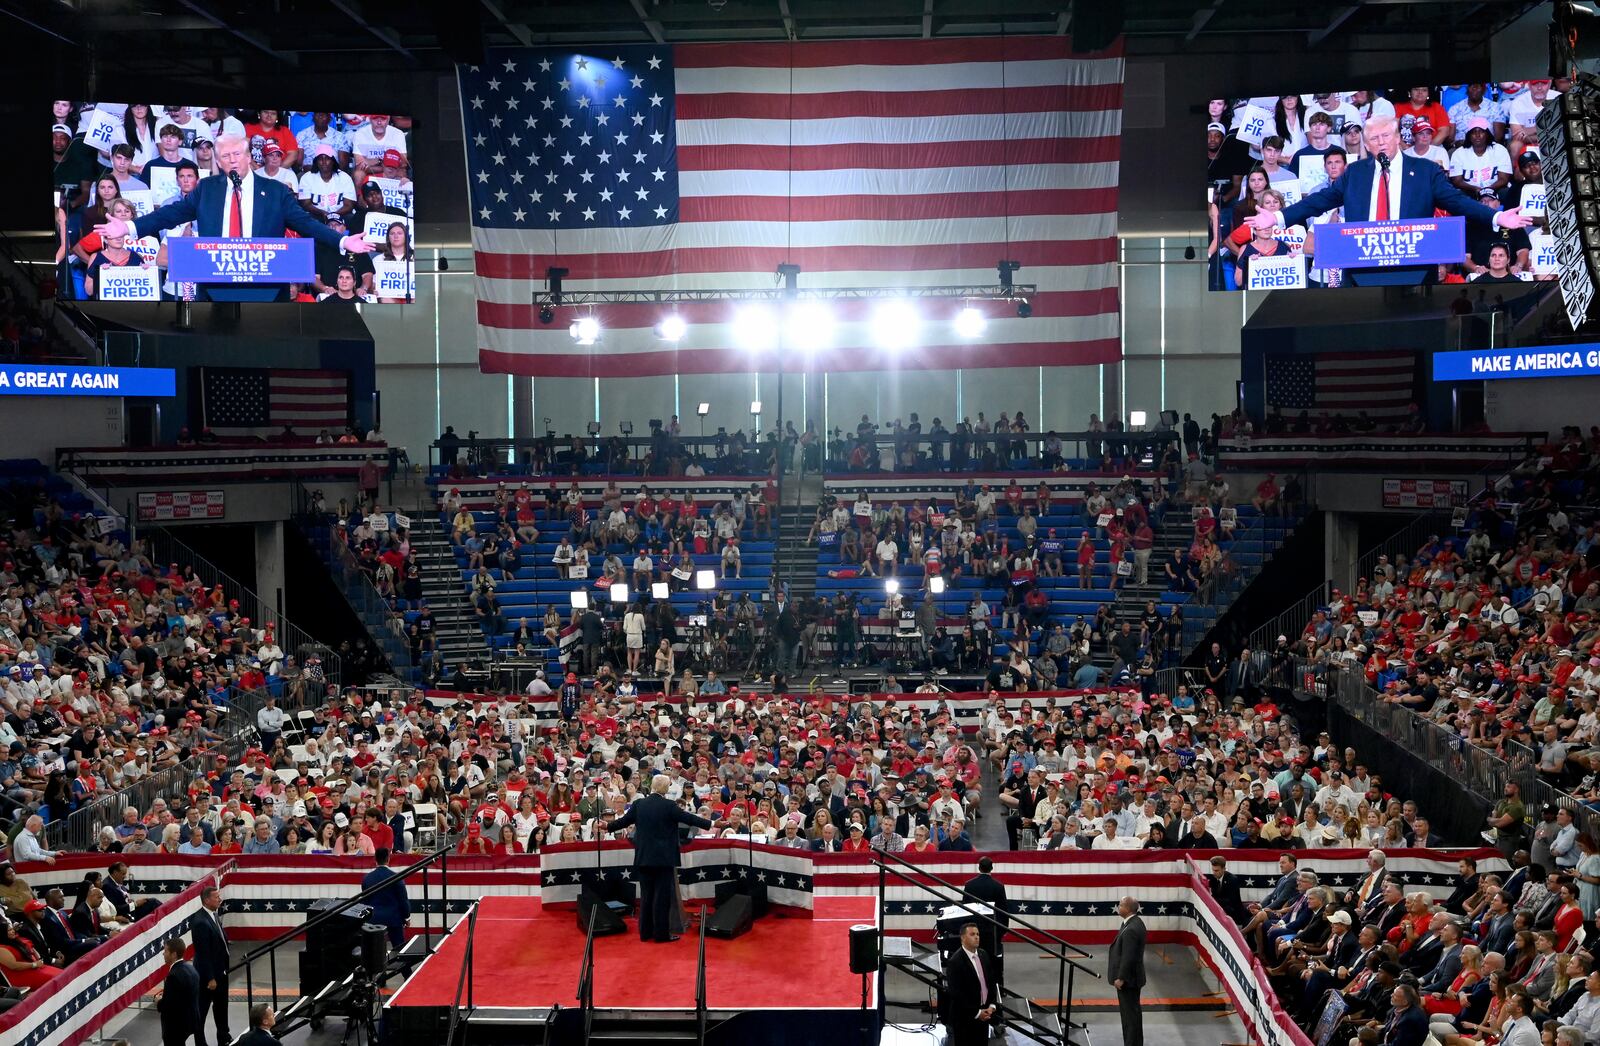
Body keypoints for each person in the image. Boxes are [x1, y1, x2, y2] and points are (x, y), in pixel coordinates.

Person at [1249, 113, 1531, 286]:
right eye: (1373, 138)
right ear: (1367, 144)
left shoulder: (1425, 170)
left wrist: (1497, 216)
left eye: (1385, 135)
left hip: (1415, 272)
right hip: (1361, 271)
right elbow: (1319, 201)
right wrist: (1276, 217)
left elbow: (1456, 201)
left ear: (1397, 137)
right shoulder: (1354, 173)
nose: (1380, 142)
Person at [94, 132, 376, 300]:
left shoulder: (275, 191)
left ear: (247, 156)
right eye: (225, 156)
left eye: (236, 154)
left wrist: (343, 242)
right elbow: (170, 214)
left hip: (266, 289)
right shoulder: (206, 189)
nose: (231, 160)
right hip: (216, 287)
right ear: (217, 160)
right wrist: (129, 227)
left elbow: (305, 223)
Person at [602, 774, 715, 943]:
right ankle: (661, 934)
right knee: (661, 898)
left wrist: (607, 826)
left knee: (646, 897)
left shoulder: (639, 804)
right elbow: (689, 818)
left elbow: (624, 821)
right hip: (663, 859)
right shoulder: (669, 805)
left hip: (644, 858)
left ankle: (645, 933)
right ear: (666, 788)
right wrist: (711, 824)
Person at [940, 922, 1000, 1046]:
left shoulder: (983, 955)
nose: (977, 937)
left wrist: (992, 1005)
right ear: (963, 937)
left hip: (985, 1015)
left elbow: (991, 982)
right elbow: (957, 994)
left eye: (977, 934)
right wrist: (977, 1013)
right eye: (972, 934)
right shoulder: (955, 961)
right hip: (965, 1020)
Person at [190, 885, 230, 1046]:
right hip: (209, 977)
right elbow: (203, 953)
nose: (219, 899)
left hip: (222, 972)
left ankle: (224, 1037)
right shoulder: (200, 921)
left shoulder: (213, 915)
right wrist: (211, 978)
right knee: (202, 1010)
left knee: (222, 1008)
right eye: (216, 897)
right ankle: (200, 1042)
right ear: (206, 900)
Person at [962, 856, 1010, 983]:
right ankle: (997, 985)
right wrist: (1002, 930)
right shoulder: (998, 886)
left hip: (973, 929)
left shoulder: (969, 885)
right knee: (994, 958)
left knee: (974, 956)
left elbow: (965, 909)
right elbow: (1003, 910)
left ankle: (974, 982)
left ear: (979, 867)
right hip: (992, 930)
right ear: (992, 868)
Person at [1108, 896, 1147, 1046]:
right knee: (1132, 1015)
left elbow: (1128, 957)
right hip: (1132, 979)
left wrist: (1121, 978)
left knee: (1130, 1017)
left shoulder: (1131, 929)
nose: (1118, 907)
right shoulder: (1132, 923)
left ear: (1128, 909)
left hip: (1129, 981)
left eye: (1121, 905)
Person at [362, 847, 412, 949]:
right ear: (388, 859)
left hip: (373, 919)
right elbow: (403, 900)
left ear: (375, 859)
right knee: (399, 948)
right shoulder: (396, 877)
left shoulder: (367, 878)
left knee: (374, 951)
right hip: (394, 919)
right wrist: (407, 917)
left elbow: (365, 900)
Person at [158, 935, 202, 1046]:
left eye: (166, 951)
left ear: (173, 954)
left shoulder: (173, 975)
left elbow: (169, 1005)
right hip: (190, 1020)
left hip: (176, 1025)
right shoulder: (191, 969)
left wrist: (158, 1002)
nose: (163, 953)